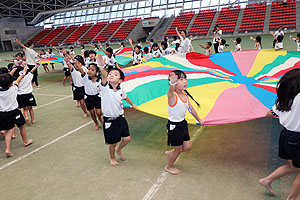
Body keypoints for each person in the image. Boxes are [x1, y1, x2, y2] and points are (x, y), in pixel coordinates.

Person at [259, 68, 300, 200]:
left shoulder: (284, 101)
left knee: (293, 167)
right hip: (297, 139)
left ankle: (267, 180)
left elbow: (269, 113)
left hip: (286, 136)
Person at [97, 54, 137, 166]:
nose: (111, 75)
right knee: (112, 142)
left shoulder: (120, 89)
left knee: (127, 138)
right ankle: (112, 157)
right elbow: (104, 76)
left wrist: (132, 104)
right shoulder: (105, 88)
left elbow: (125, 97)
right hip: (110, 120)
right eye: (110, 74)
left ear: (120, 80)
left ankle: (119, 150)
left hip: (121, 118)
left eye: (115, 74)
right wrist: (102, 68)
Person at [165, 70, 203, 174]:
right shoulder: (172, 96)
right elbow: (170, 92)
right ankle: (169, 166)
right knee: (178, 149)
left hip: (182, 124)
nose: (185, 81)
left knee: (187, 147)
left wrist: (198, 119)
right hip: (174, 126)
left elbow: (191, 109)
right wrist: (172, 84)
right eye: (181, 79)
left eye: (185, 79)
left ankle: (170, 153)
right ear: (173, 82)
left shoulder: (185, 96)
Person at [0, 67, 33, 157]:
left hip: (2, 113)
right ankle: (25, 141)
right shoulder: (13, 88)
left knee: (8, 131)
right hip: (14, 112)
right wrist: (24, 70)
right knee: (21, 127)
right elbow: (20, 77)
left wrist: (13, 69)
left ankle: (7, 149)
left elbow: (7, 79)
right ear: (11, 83)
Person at [68, 55, 103, 130]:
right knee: (92, 113)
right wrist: (73, 60)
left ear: (97, 72)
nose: (90, 71)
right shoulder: (85, 77)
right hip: (88, 97)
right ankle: (96, 123)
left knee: (99, 113)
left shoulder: (99, 80)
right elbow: (80, 68)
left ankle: (100, 119)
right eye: (89, 69)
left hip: (97, 97)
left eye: (92, 70)